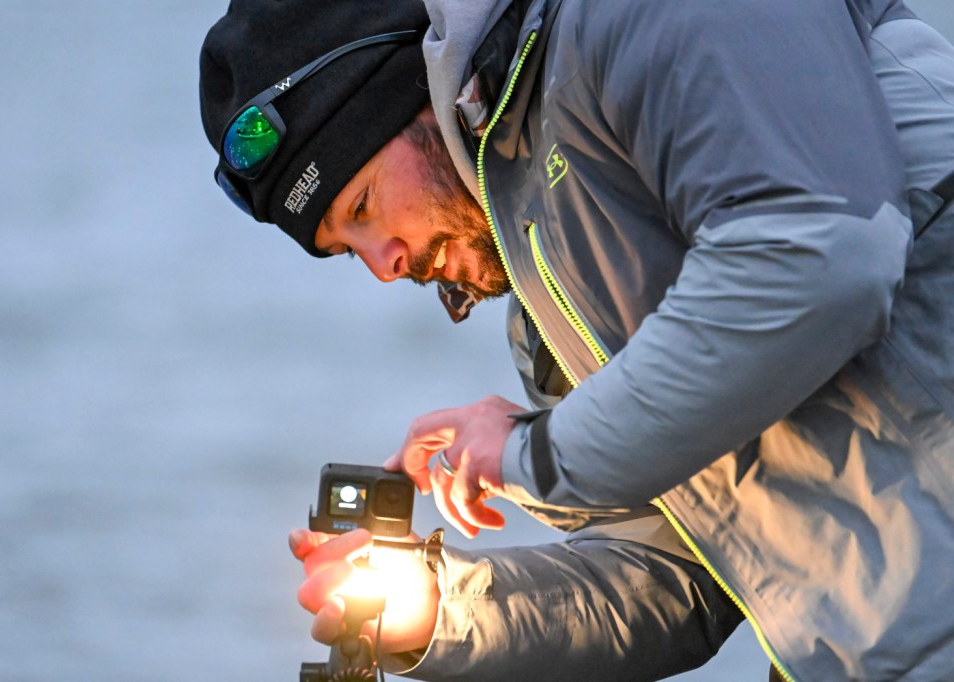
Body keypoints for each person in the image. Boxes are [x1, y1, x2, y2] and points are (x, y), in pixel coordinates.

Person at [199, 0, 954, 679]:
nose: (384, 265)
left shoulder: (640, 17)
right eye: (345, 250)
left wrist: (533, 453)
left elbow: (817, 257)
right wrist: (438, 610)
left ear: (412, 96)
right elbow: (684, 570)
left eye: (363, 207)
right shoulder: (543, 295)